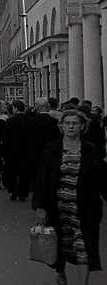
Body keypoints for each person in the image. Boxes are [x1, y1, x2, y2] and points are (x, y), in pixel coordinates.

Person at [33, 109, 107, 285]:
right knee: (60, 246)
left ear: (82, 126)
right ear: (61, 126)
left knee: (84, 248)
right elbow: (42, 179)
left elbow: (102, 179)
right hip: (57, 208)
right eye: (67, 123)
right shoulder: (51, 149)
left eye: (75, 123)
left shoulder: (91, 150)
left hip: (85, 209)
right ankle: (60, 272)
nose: (71, 126)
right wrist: (40, 207)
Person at [4, 99, 30, 201]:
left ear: (15, 108)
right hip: (26, 150)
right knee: (24, 172)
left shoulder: (10, 121)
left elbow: (6, 138)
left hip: (12, 150)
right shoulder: (29, 120)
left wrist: (5, 151)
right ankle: (23, 193)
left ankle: (13, 191)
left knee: (12, 172)